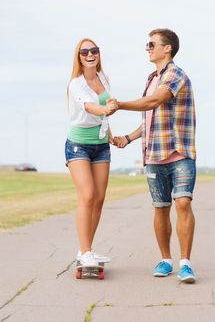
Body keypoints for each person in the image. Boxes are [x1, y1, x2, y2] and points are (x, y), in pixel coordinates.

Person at [107, 28, 197, 283]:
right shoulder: (150, 78)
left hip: (179, 152)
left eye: (151, 44)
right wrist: (128, 138)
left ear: (167, 48)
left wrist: (120, 104)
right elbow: (149, 117)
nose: (147, 48)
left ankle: (186, 263)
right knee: (161, 208)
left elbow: (153, 102)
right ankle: (166, 260)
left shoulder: (175, 74)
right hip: (154, 154)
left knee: (182, 203)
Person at [65, 38, 117, 268]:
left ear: (98, 54)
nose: (89, 54)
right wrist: (105, 108)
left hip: (101, 143)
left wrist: (110, 133)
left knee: (99, 198)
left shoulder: (104, 77)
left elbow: (102, 114)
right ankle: (85, 251)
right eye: (84, 52)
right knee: (87, 196)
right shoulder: (76, 84)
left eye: (93, 51)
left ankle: (86, 250)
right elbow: (90, 107)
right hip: (79, 144)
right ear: (78, 57)